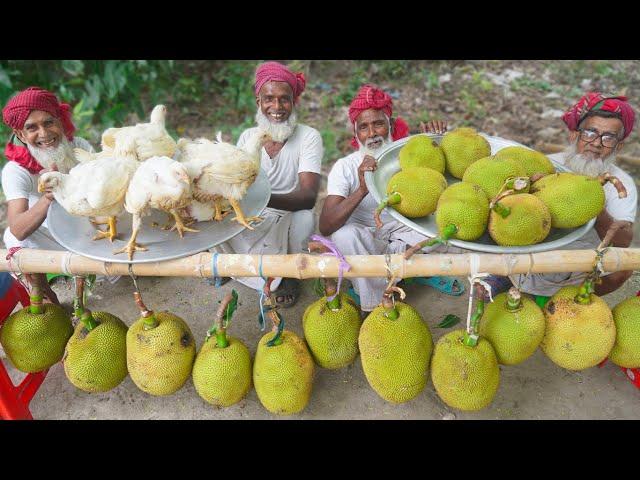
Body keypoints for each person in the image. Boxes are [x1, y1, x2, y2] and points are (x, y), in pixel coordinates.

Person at [319, 84, 463, 314]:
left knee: (447, 226)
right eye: (364, 127)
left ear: (391, 125)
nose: (372, 133)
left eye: (378, 123)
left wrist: (437, 143)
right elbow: (326, 224)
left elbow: (442, 186)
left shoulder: (406, 157)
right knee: (343, 235)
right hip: (367, 241)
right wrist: (362, 189)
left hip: (404, 233)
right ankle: (376, 303)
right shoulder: (344, 167)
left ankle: (404, 273)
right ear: (355, 134)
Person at [482, 92, 637, 302]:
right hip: (533, 253)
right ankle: (508, 276)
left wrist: (597, 210)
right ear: (575, 135)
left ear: (618, 146)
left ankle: (570, 301)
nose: (597, 143)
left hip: (579, 264)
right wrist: (531, 186)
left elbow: (623, 242)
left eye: (608, 138)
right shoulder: (547, 165)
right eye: (590, 132)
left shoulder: (622, 185)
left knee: (623, 269)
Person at [214, 62, 323, 307]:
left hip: (288, 212)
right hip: (253, 215)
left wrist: (260, 198)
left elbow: (307, 197)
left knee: (305, 218)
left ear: (294, 102)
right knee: (215, 220)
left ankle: (287, 274)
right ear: (258, 102)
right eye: (269, 99)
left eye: (284, 99)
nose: (276, 107)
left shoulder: (309, 137)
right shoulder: (247, 137)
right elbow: (238, 184)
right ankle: (244, 269)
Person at [1, 87, 94, 304]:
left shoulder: (79, 147)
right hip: (59, 239)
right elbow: (18, 229)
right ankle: (46, 298)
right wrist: (50, 195)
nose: (43, 134)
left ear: (60, 121)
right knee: (12, 238)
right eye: (32, 128)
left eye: (49, 122)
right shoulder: (15, 171)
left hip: (94, 230)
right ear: (20, 135)